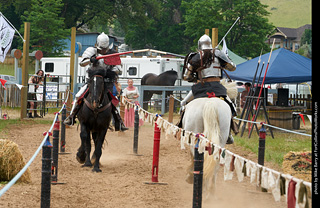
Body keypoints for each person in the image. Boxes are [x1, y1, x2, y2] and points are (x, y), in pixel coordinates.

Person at [178, 34, 238, 144]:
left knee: (183, 104)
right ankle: (228, 134)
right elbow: (233, 67)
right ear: (210, 44)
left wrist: (195, 75)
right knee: (231, 107)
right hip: (217, 88)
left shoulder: (195, 57)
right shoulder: (219, 54)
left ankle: (182, 129)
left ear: (199, 45)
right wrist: (222, 63)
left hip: (201, 87)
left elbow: (186, 76)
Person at [63, 32, 128, 131]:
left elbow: (119, 69)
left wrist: (108, 72)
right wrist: (91, 60)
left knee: (114, 100)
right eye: (101, 49)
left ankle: (118, 122)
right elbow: (82, 63)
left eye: (105, 49)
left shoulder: (112, 54)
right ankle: (71, 117)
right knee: (78, 96)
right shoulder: (91, 51)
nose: (103, 51)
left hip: (106, 82)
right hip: (92, 81)